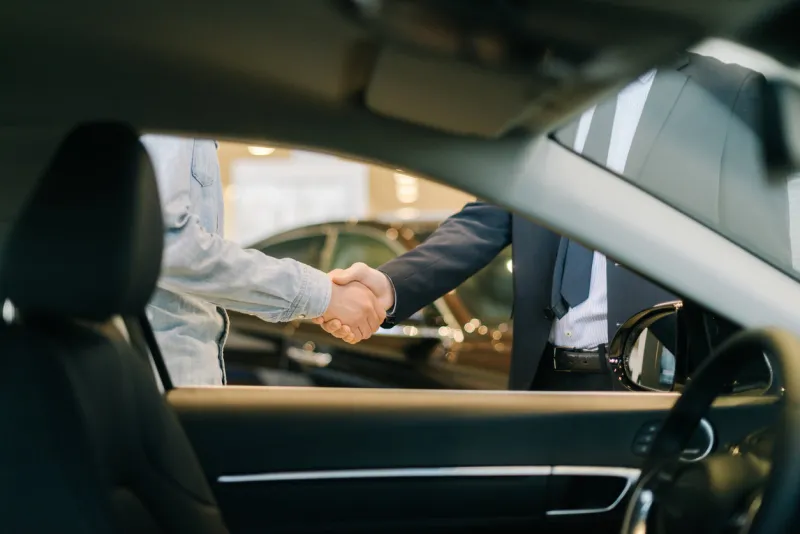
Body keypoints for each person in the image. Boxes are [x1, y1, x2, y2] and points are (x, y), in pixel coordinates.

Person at [315, 52, 790, 391]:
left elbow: (759, 246)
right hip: (544, 376)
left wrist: (758, 383)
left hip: (660, 375)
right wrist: (389, 286)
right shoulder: (539, 94)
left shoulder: (728, 91)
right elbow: (490, 216)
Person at [141, 135, 385, 386]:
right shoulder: (174, 116)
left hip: (172, 376)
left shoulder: (190, 127)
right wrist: (324, 295)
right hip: (162, 378)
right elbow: (168, 243)